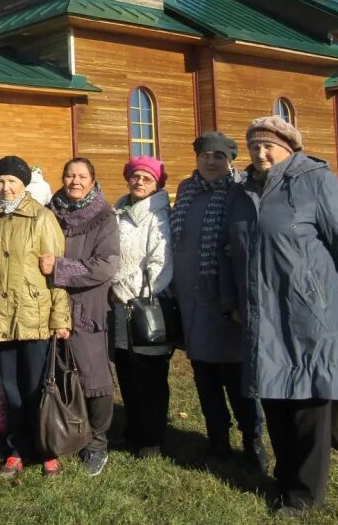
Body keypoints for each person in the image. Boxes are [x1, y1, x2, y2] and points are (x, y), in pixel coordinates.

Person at [221, 116, 338, 516]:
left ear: (290, 147)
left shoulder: (316, 182)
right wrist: (233, 301)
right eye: (254, 146)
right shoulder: (242, 191)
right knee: (274, 397)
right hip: (261, 314)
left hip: (311, 313)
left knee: (308, 403)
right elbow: (228, 252)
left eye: (268, 145)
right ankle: (284, 478)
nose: (260, 153)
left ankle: (304, 493)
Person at [0, 155, 70, 479]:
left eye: (12, 181)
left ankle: (47, 448)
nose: (5, 187)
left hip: (35, 315)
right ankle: (16, 449)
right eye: (0, 181)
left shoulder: (42, 218)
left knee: (38, 385)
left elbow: (57, 274)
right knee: (10, 388)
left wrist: (60, 318)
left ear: (23, 184)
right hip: (1, 316)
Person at [171, 133, 267, 471]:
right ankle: (218, 440)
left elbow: (252, 232)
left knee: (236, 375)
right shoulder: (186, 190)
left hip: (225, 299)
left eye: (219, 156)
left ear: (230, 160)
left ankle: (252, 438)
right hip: (191, 299)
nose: (211, 161)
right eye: (205, 155)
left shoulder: (239, 191)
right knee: (204, 375)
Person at [45, 157, 120, 476]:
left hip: (88, 307)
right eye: (69, 175)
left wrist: (60, 269)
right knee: (58, 375)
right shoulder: (50, 212)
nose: (74, 181)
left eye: (81, 176)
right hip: (52, 306)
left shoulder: (104, 217)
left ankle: (98, 442)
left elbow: (106, 265)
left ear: (92, 180)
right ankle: (64, 433)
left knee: (95, 379)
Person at [109, 156, 172, 459]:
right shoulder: (119, 211)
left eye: (147, 178)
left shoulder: (159, 215)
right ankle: (134, 428)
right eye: (135, 176)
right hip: (118, 304)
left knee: (150, 376)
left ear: (157, 183)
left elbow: (161, 262)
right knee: (127, 370)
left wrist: (132, 291)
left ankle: (152, 438)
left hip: (145, 304)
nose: (140, 182)